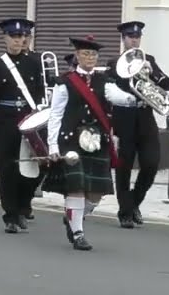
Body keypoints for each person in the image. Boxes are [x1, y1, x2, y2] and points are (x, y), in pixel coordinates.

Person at [42, 36, 136, 251]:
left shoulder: (105, 81)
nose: (90, 58)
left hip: (97, 142)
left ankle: (73, 217)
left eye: (93, 54)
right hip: (71, 142)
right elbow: (55, 115)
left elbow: (121, 98)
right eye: (85, 54)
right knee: (76, 188)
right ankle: (78, 232)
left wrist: (136, 97)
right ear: (77, 56)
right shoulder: (64, 82)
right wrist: (53, 147)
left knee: (96, 193)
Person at [0, 18, 46, 234]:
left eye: (23, 36)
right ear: (5, 38)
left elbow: (40, 93)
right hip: (4, 121)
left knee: (34, 166)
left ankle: (23, 204)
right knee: (7, 168)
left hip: (28, 120)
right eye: (15, 36)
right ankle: (10, 214)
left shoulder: (34, 63)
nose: (20, 40)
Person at [108, 21, 169, 228]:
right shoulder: (113, 63)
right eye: (130, 36)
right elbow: (108, 94)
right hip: (122, 118)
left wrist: (153, 73)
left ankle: (134, 202)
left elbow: (167, 84)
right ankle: (125, 212)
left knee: (151, 163)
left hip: (145, 116)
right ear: (123, 39)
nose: (134, 40)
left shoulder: (148, 60)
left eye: (137, 37)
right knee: (124, 167)